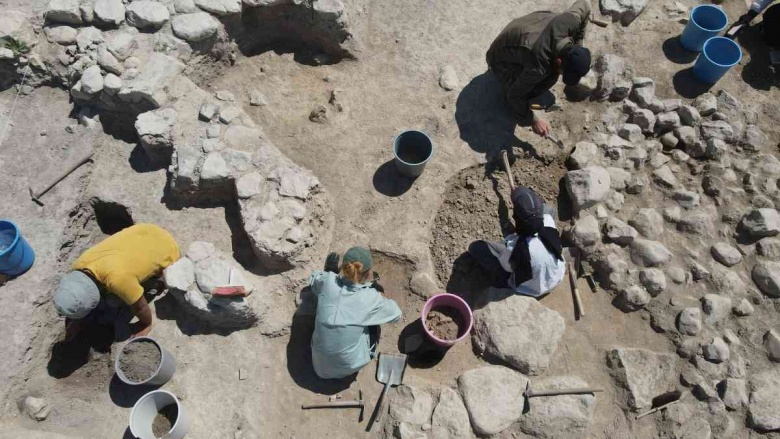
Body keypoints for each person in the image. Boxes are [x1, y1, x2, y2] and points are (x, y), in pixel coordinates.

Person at [53, 224, 180, 340]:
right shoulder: (79, 264)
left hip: (167, 248)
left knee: (113, 301)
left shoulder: (118, 281)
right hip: (145, 230)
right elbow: (74, 293)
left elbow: (140, 307)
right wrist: (75, 320)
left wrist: (145, 324)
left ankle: (155, 282)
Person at [486, 0, 592, 138]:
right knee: (548, 78)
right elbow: (514, 95)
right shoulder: (539, 66)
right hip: (497, 58)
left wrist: (579, 42)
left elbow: (585, 4)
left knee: (552, 72)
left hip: (529, 26)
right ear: (559, 60)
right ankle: (510, 97)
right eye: (564, 72)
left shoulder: (569, 21)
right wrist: (533, 120)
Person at [309, 247, 402, 379]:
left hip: (318, 364)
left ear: (344, 267)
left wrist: (330, 274)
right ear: (367, 273)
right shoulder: (370, 298)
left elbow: (313, 279)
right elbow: (396, 315)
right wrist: (377, 294)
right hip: (348, 367)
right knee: (374, 324)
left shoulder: (328, 280)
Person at [468, 187, 565, 297]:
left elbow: (507, 267)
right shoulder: (548, 221)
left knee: (476, 248)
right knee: (549, 209)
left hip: (532, 288)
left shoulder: (514, 249)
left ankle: (501, 282)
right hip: (557, 275)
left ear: (516, 219)